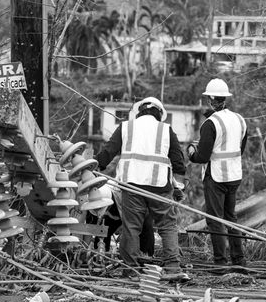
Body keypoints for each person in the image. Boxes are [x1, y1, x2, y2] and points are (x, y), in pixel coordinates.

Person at [96, 97, 187, 278]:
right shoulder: (166, 129)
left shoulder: (125, 127)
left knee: (131, 227)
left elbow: (106, 154)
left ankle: (130, 270)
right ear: (159, 114)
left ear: (139, 112)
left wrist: (94, 166)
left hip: (131, 184)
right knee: (168, 226)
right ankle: (173, 268)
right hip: (159, 186)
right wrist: (178, 186)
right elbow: (179, 164)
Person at [187, 78, 248, 271]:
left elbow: (203, 157)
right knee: (231, 218)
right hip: (234, 176)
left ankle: (220, 262)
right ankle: (238, 259)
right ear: (225, 98)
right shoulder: (240, 119)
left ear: (211, 99)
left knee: (215, 220)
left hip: (216, 177)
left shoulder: (210, 123)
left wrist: (191, 153)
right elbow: (240, 149)